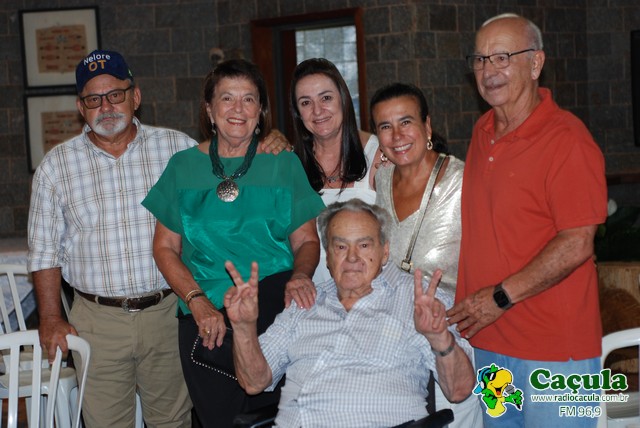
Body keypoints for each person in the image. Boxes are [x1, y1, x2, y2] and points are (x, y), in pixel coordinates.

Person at [27, 49, 290, 427]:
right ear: (80, 107)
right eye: (94, 99)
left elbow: (234, 164)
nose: (106, 107)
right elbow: (44, 252)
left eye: (115, 94)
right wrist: (51, 317)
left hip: (169, 311)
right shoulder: (56, 166)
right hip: (97, 321)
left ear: (135, 97)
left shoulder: (176, 148)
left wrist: (270, 140)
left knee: (173, 421)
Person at [142, 58, 325, 427]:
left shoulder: (283, 164)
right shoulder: (181, 167)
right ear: (210, 110)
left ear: (261, 112)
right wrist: (196, 302)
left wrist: (301, 276)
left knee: (280, 420)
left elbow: (307, 241)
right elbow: (164, 249)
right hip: (205, 316)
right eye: (227, 98)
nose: (238, 109)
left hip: (275, 313)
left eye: (249, 99)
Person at [447, 13, 607, 427]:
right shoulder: (483, 130)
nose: (488, 71)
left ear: (536, 64)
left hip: (556, 356)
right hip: (490, 348)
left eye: (502, 57)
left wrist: (499, 298)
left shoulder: (567, 139)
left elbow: (577, 242)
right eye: (480, 59)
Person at [224, 199, 475, 427]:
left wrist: (440, 338)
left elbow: (459, 390)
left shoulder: (418, 300)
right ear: (328, 257)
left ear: (385, 251)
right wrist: (244, 328)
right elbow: (253, 382)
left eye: (364, 245)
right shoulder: (304, 304)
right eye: (341, 246)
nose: (352, 258)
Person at [370, 83, 483, 427]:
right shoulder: (382, 179)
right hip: (395, 342)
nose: (397, 136)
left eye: (406, 122)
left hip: (451, 338)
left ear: (427, 126)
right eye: (385, 126)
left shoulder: (465, 180)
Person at [290, 58, 381, 284]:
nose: (317, 110)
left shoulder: (379, 154)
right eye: (306, 102)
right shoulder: (291, 163)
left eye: (326, 98)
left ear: (343, 98)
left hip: (371, 295)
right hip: (310, 294)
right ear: (298, 112)